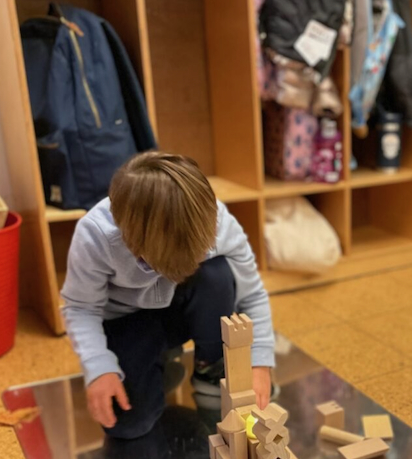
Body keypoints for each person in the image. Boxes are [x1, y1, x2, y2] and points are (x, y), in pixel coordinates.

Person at [62, 152, 274, 438]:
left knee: (218, 273)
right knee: (128, 425)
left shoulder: (218, 221)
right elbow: (80, 308)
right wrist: (99, 368)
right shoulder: (95, 235)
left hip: (183, 305)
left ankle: (210, 368)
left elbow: (253, 295)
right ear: (134, 245)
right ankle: (156, 361)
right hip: (128, 321)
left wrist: (259, 362)